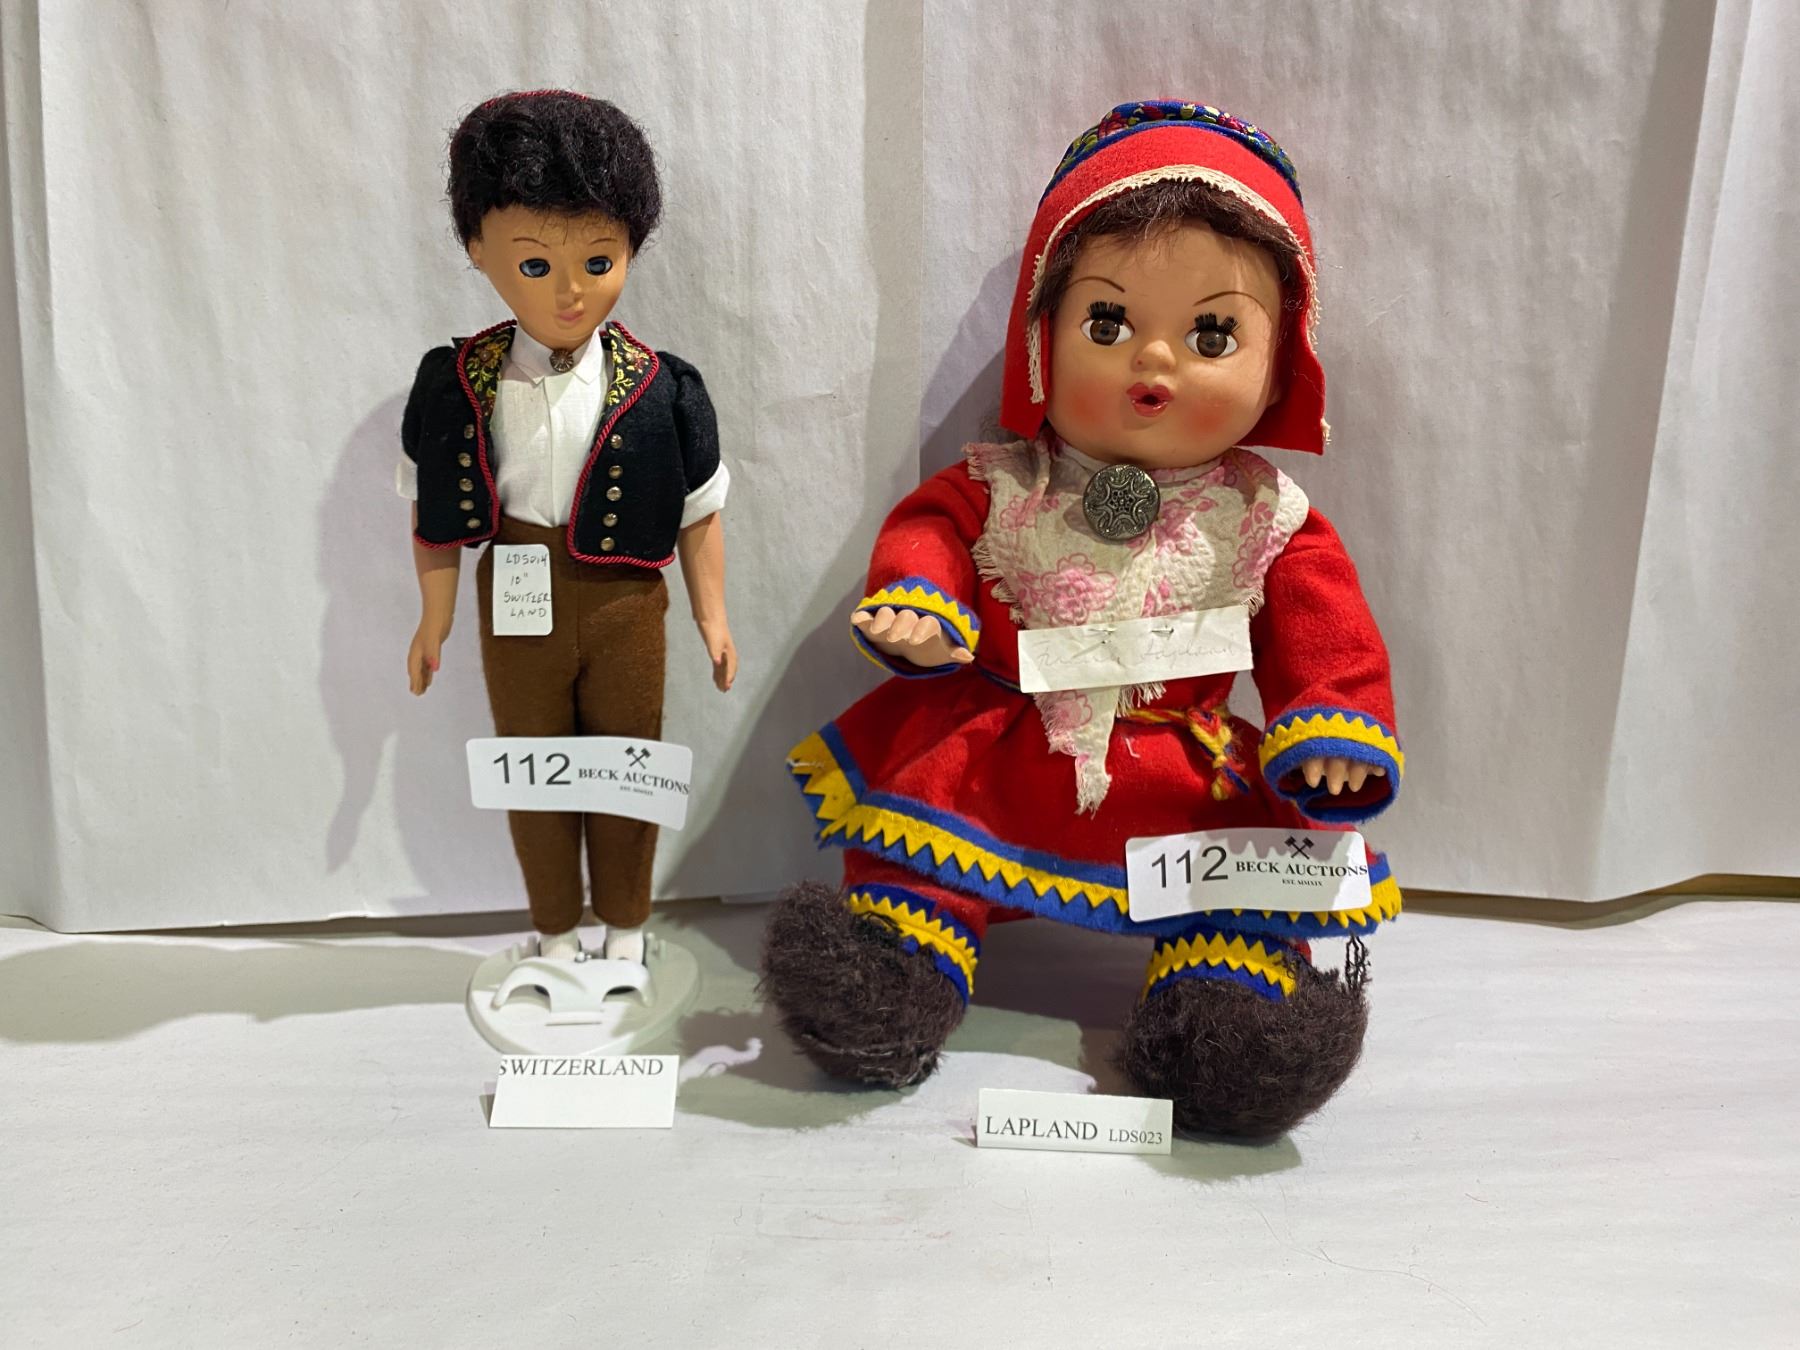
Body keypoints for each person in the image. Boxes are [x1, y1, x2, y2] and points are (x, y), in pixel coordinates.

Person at [762, 101, 1401, 1139]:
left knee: (1238, 900)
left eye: (1212, 334)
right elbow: (931, 531)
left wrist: (1332, 724)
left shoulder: (1268, 519)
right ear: (1041, 338)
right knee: (914, 857)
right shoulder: (1007, 483)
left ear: (1281, 362)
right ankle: (899, 963)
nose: (1155, 363)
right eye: (1108, 324)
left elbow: (1329, 636)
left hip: (1180, 770)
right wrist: (920, 602)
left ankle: (1226, 1011)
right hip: (997, 749)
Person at [399, 90, 735, 968]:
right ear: (478, 250)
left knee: (628, 762)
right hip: (516, 594)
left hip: (628, 602)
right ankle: (553, 931)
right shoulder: (458, 382)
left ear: (631, 248)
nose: (571, 289)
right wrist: (434, 617)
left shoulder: (665, 388)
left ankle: (625, 928)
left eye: (598, 259)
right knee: (532, 765)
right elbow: (434, 514)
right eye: (535, 263)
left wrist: (713, 616)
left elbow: (700, 510)